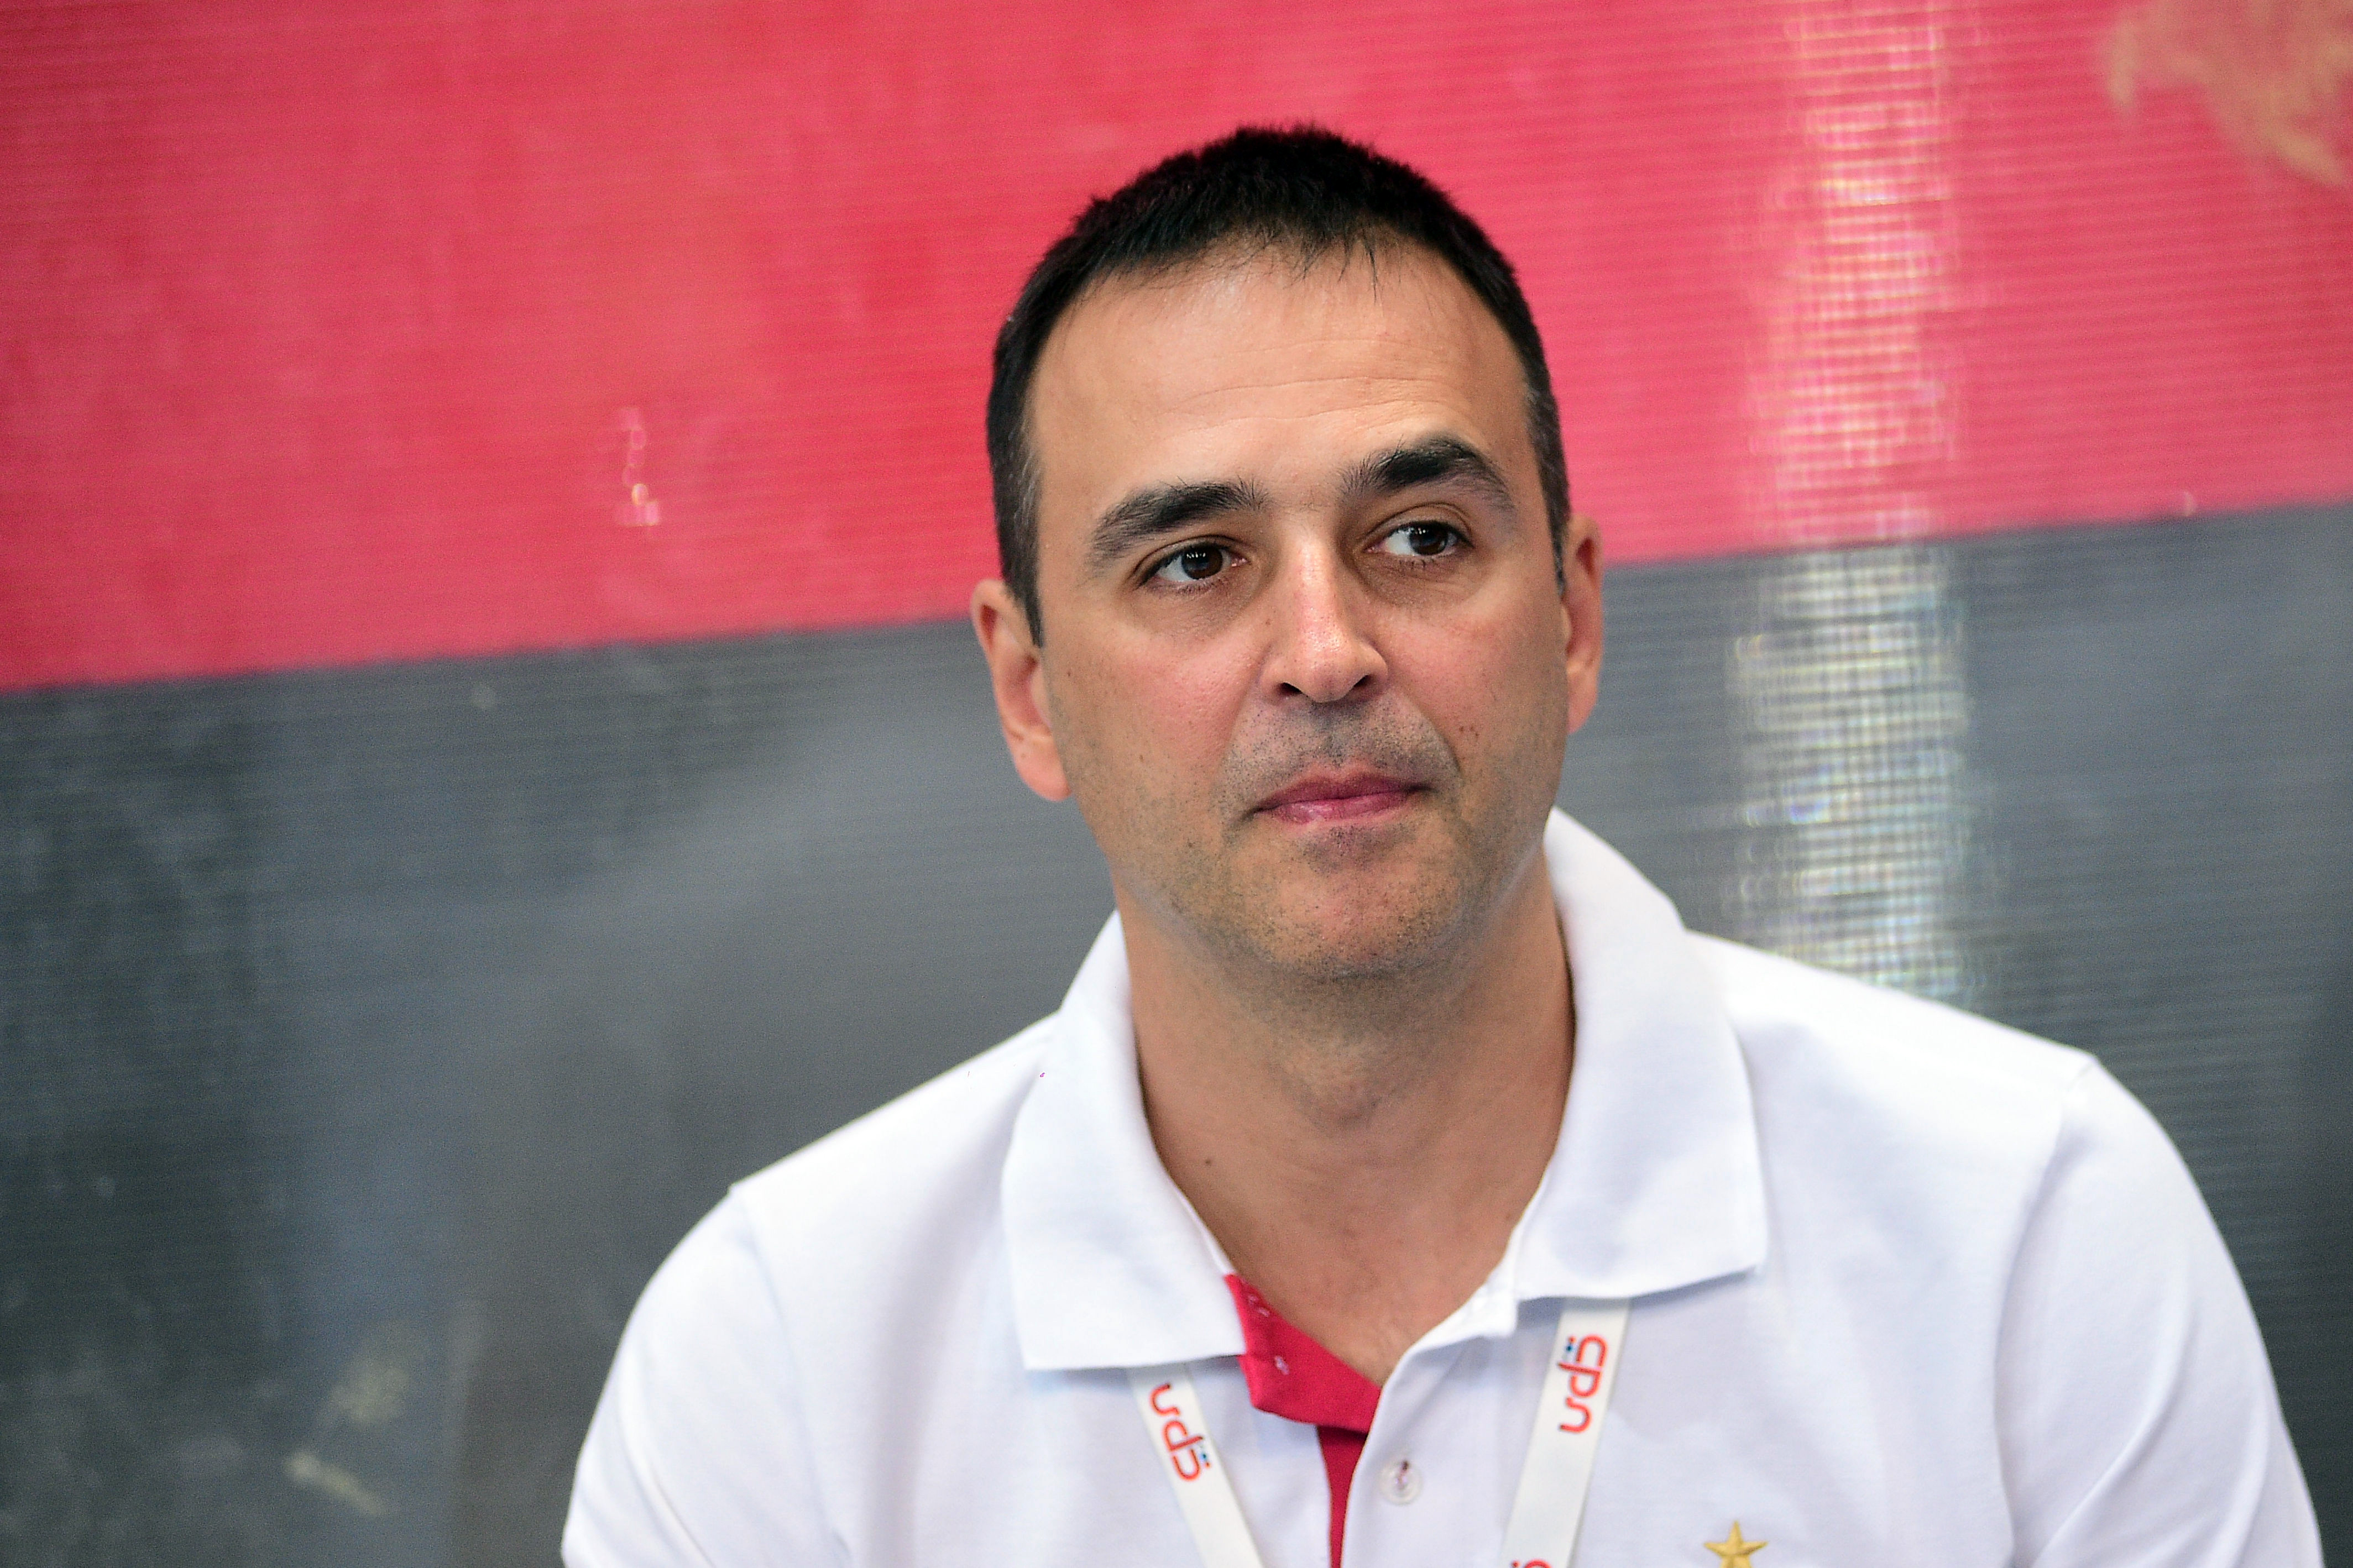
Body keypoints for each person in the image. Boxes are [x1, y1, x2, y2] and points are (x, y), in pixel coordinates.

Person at [563, 127, 2320, 1568]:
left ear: (1569, 617)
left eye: (1417, 536)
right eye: (1195, 563)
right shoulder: (779, 1357)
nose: (1326, 651)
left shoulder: (2030, 1228)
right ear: (1029, 692)